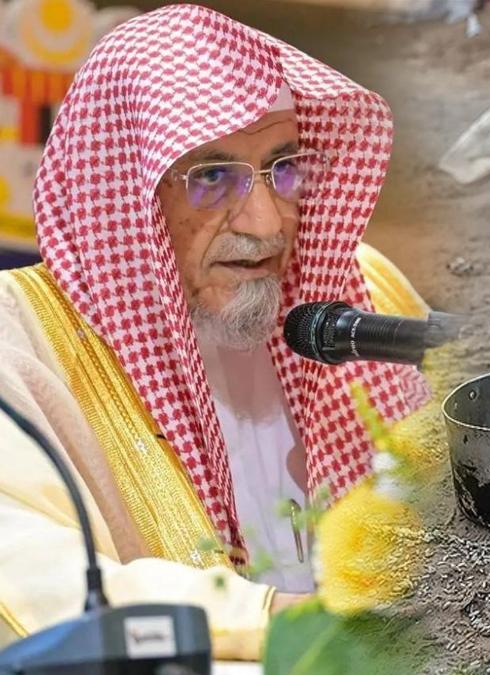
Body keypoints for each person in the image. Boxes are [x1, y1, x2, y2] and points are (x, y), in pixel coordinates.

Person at [0, 5, 431, 660]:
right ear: (128, 188)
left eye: (284, 166)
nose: (266, 223)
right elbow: (30, 572)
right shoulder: (19, 337)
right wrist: (279, 618)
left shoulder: (358, 288)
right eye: (211, 176)